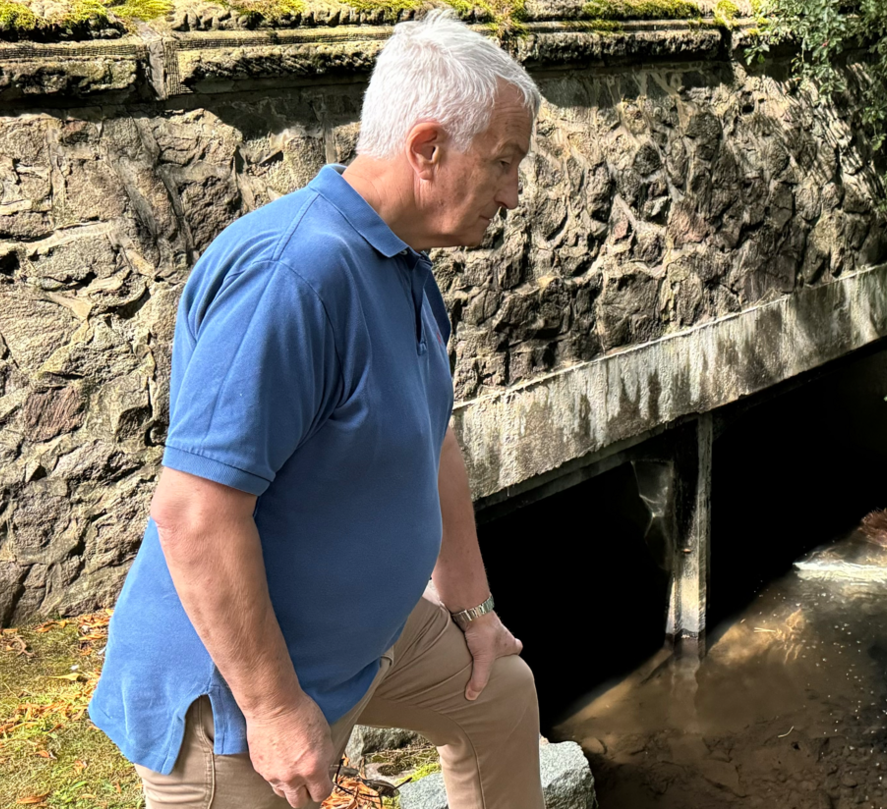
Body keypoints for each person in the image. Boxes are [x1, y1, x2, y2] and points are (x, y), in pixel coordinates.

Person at [87, 11, 545, 808]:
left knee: (500, 692)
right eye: (504, 163)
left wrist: (473, 612)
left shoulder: (406, 266)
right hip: (235, 702)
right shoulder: (295, 273)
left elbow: (434, 443)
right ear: (428, 147)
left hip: (370, 644)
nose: (512, 194)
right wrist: (271, 709)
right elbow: (194, 514)